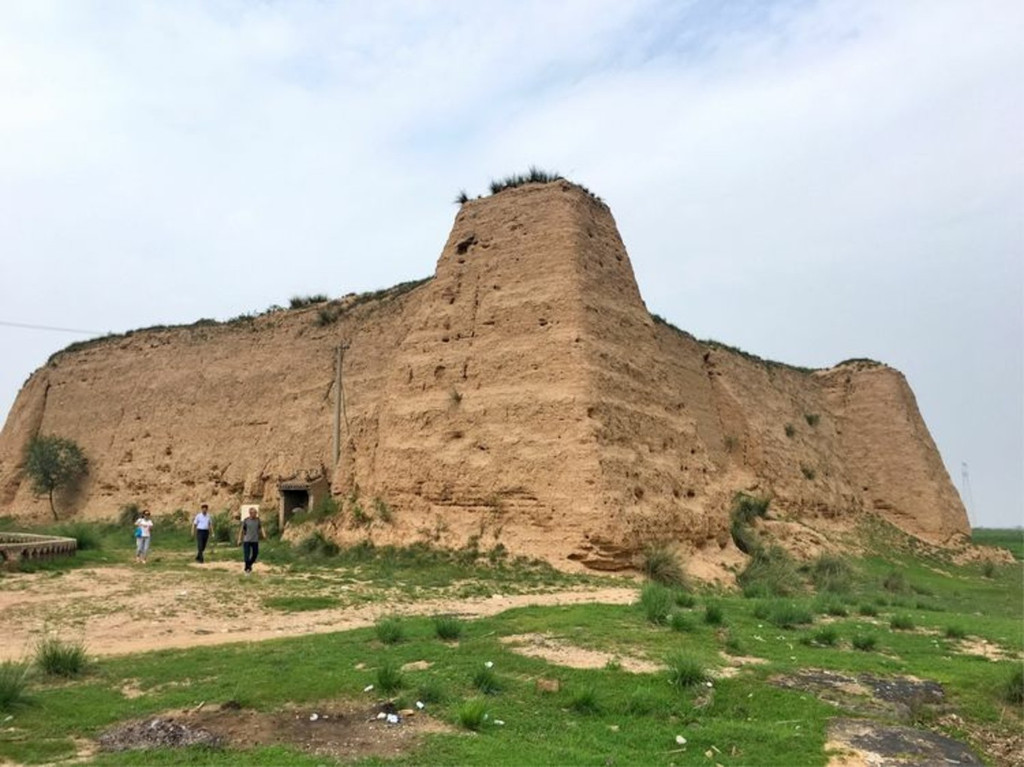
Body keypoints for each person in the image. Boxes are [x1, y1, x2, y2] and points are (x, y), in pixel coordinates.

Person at [237, 507, 266, 575]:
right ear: (250, 513)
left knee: (255, 554)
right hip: (247, 540)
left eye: (256, 513)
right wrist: (239, 539)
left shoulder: (258, 520)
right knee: (246, 556)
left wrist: (264, 534)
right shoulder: (246, 520)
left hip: (255, 540)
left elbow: (261, 527)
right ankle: (247, 570)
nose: (256, 514)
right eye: (254, 513)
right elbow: (241, 530)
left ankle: (249, 565)